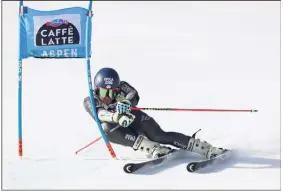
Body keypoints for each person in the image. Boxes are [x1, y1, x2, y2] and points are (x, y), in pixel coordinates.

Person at [83, 67, 227, 159]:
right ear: (96, 89)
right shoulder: (90, 99)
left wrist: (127, 103)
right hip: (117, 126)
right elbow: (99, 114)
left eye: (112, 92)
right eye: (103, 91)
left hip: (134, 118)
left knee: (159, 135)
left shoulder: (122, 86)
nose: (107, 96)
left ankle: (205, 148)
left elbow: (134, 94)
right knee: (106, 129)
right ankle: (154, 148)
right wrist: (115, 116)